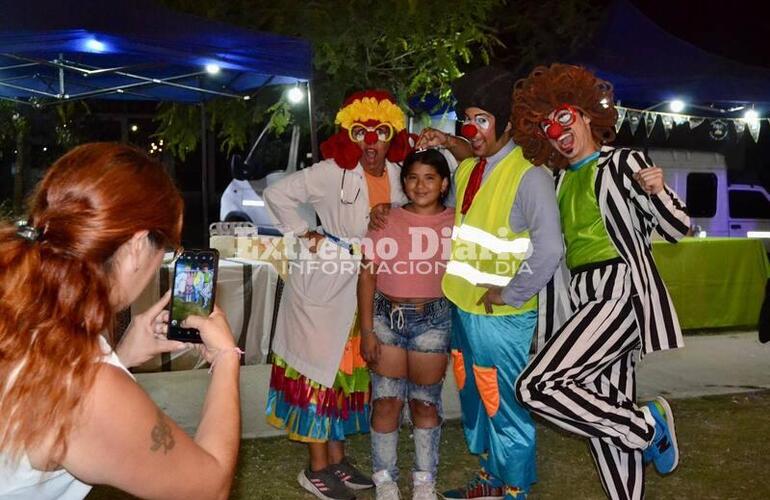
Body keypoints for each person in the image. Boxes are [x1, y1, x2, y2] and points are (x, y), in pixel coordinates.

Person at [0, 143, 241, 500]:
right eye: (166, 247)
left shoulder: (19, 308)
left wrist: (120, 357)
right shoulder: (88, 389)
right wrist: (226, 358)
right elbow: (210, 487)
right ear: (138, 244)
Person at [512, 63, 690, 500]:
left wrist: (658, 191)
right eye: (547, 127)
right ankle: (635, 432)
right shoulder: (556, 181)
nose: (558, 131)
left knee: (537, 386)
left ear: (588, 114)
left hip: (621, 292)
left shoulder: (624, 162)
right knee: (603, 418)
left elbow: (677, 227)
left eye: (564, 117)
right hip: (583, 299)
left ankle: (645, 427)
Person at [423, 66, 564, 500]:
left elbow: (550, 249)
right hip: (464, 309)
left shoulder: (530, 174)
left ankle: (515, 488)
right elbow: (467, 167)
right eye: (466, 119)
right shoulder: (471, 169)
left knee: (503, 404)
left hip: (501, 316)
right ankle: (491, 478)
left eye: (481, 120)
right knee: (476, 400)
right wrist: (447, 143)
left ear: (506, 123)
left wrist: (511, 293)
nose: (470, 129)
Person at [264, 90, 412, 500]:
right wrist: (304, 233)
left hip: (367, 286)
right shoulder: (331, 172)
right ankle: (316, 469)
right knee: (315, 373)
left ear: (392, 136)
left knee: (346, 374)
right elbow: (277, 194)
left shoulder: (399, 173)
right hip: (323, 282)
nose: (371, 142)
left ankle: (338, 461)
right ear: (350, 135)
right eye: (361, 132)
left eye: (380, 133)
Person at [358, 149, 455, 500]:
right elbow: (367, 276)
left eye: (430, 178)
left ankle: (424, 479)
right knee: (386, 401)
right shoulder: (386, 219)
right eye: (413, 177)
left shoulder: (458, 222)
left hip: (435, 321)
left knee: (424, 403)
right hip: (386, 319)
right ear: (404, 182)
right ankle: (384, 478)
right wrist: (366, 330)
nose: (420, 185)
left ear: (444, 183)